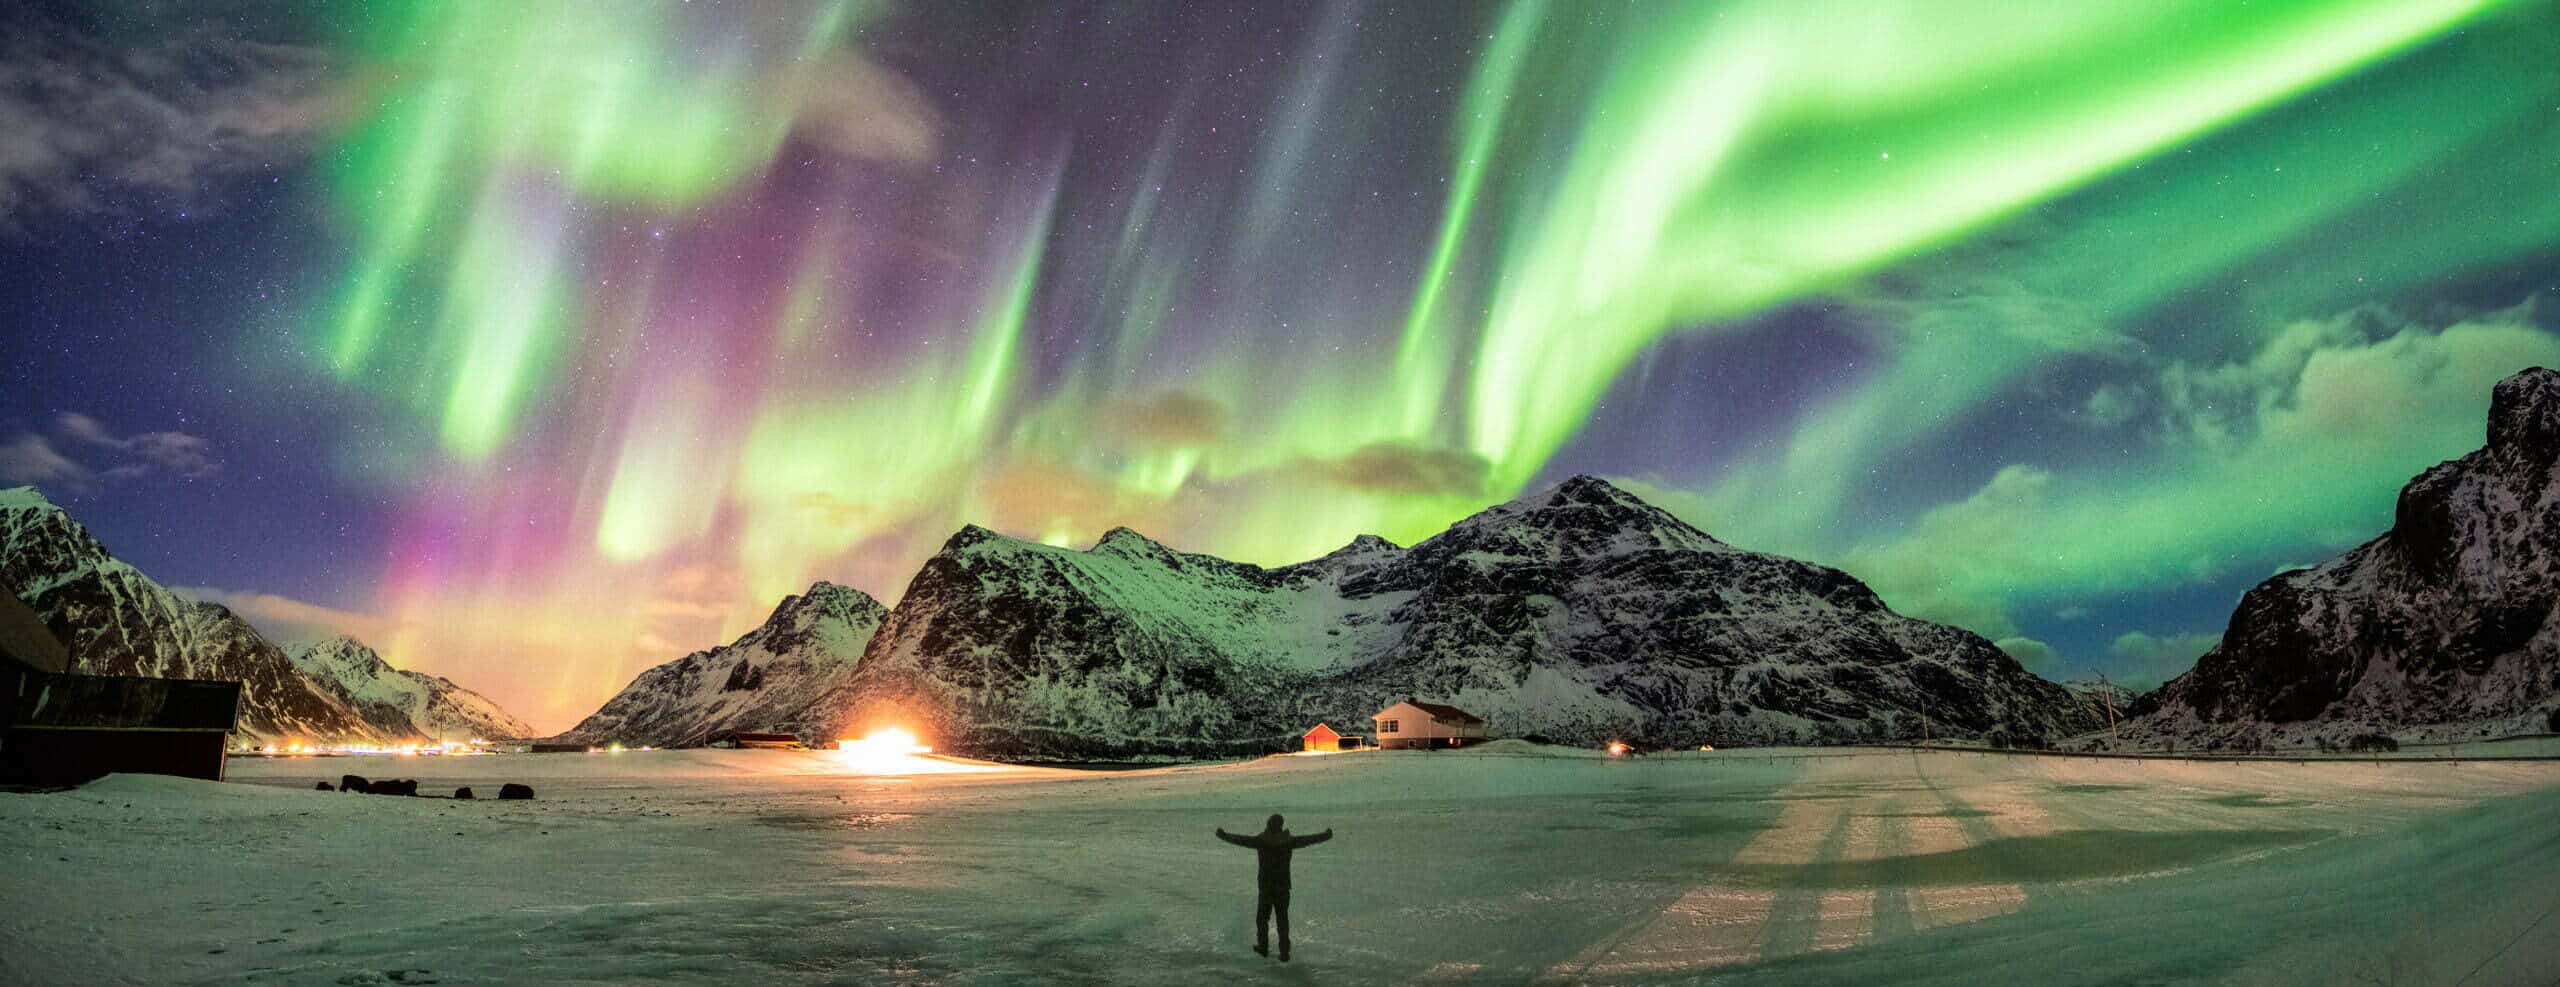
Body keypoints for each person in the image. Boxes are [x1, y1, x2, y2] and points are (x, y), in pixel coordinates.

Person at [1215, 814, 1333, 961]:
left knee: (1262, 919)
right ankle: (1284, 952)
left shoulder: (1262, 841)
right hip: (1283, 887)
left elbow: (1241, 840)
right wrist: (1325, 835)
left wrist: (1223, 835)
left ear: (1270, 826)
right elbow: (1309, 839)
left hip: (1266, 887)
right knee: (1282, 920)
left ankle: (1263, 947)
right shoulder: (1289, 841)